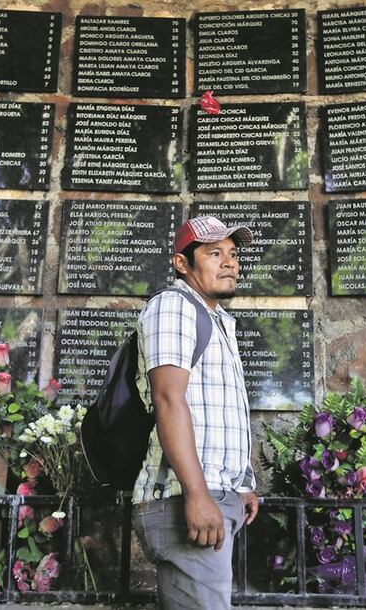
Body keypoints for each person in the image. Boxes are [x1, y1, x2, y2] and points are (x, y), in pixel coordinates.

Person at [132, 215, 261, 609]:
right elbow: (169, 399)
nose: (229, 263)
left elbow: (219, 409)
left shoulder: (217, 319)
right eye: (214, 253)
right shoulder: (173, 306)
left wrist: (241, 482)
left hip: (213, 494)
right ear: (182, 263)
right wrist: (198, 494)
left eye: (233, 254)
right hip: (183, 496)